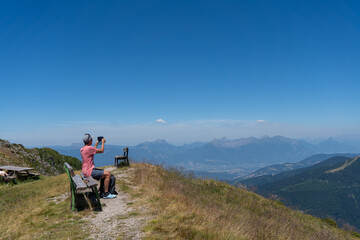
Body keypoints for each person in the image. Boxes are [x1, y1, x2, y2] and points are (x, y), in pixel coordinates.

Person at [80, 133, 116, 199]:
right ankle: (106, 193)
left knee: (104, 173)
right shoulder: (89, 148)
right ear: (89, 140)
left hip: (85, 171)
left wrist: (96, 144)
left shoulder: (83, 149)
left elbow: (92, 151)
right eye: (91, 139)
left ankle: (102, 191)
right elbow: (101, 151)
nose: (92, 140)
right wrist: (102, 142)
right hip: (89, 171)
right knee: (108, 174)